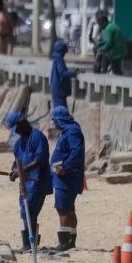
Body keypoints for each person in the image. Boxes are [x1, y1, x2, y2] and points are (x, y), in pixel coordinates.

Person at [5, 110, 51, 253]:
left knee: (29, 211)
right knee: (25, 213)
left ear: (22, 122)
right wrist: (14, 171)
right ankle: (30, 244)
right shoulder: (19, 143)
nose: (17, 132)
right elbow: (16, 161)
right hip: (25, 183)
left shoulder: (38, 137)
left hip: (38, 181)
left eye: (17, 128)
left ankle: (30, 245)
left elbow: (40, 159)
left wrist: (21, 170)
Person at [47, 105, 85, 252]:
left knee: (62, 208)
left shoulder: (73, 132)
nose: (54, 123)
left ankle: (64, 242)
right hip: (63, 176)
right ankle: (70, 239)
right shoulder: (68, 131)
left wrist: (66, 167)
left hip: (67, 177)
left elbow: (77, 151)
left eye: (55, 120)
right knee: (69, 209)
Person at [48, 39, 78, 111]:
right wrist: (74, 73)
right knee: (61, 112)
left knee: (59, 111)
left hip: (57, 90)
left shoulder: (56, 58)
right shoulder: (59, 58)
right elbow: (62, 72)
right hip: (59, 91)